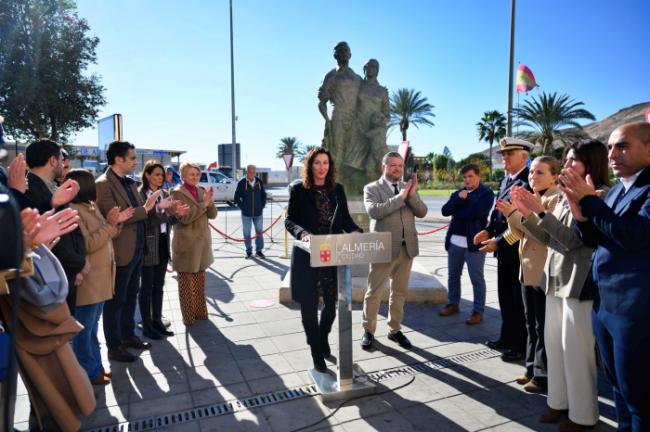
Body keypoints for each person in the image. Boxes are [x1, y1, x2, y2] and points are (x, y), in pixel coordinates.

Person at [513, 140, 610, 430]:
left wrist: (539, 213)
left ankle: (582, 416)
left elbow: (573, 241)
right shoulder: (568, 195)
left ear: (591, 164)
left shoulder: (597, 196)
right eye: (566, 160)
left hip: (578, 284)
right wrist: (527, 214)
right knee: (555, 348)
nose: (566, 166)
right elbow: (548, 239)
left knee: (576, 353)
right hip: (554, 280)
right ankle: (558, 403)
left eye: (573, 161)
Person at [563, 123, 650, 432]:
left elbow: (634, 236)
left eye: (622, 146)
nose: (612, 154)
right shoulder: (617, 189)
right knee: (618, 390)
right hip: (606, 307)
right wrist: (580, 216)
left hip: (635, 311)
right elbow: (598, 237)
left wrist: (590, 201)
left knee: (639, 397)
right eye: (610, 147)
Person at [285, 147, 360, 372]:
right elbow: (290, 220)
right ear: (310, 165)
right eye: (317, 163)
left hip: (331, 253)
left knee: (331, 306)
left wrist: (356, 231)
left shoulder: (337, 190)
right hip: (307, 254)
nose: (322, 167)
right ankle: (316, 353)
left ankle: (322, 337)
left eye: (325, 163)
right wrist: (303, 234)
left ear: (330, 165)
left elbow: (345, 218)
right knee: (308, 306)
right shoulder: (299, 189)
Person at [497, 156, 562, 394]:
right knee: (531, 323)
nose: (533, 177)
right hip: (527, 270)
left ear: (555, 175)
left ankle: (543, 375)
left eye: (540, 173)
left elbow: (543, 235)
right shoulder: (537, 197)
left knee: (542, 325)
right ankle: (531, 369)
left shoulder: (555, 199)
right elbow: (518, 233)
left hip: (544, 271)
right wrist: (511, 214)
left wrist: (520, 212)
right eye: (532, 173)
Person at [95, 141, 162, 362]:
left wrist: (155, 208)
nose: (136, 162)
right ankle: (114, 346)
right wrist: (147, 208)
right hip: (121, 250)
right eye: (132, 158)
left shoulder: (130, 183)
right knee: (116, 301)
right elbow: (115, 216)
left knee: (131, 295)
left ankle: (128, 336)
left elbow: (140, 211)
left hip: (137, 249)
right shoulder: (103, 184)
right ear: (118, 159)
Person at [67, 169, 133, 386]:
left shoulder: (90, 207)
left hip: (101, 278)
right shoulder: (74, 211)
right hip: (89, 281)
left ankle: (95, 367)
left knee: (93, 327)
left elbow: (107, 235)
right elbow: (87, 244)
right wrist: (109, 225)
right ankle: (88, 371)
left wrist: (116, 222)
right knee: (84, 331)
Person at [361, 151, 428, 350]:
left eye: (400, 165)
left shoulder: (409, 187)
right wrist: (401, 196)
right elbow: (375, 211)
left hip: (407, 249)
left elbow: (422, 212)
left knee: (399, 292)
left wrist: (412, 195)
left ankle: (395, 329)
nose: (397, 169)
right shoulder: (371, 188)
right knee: (374, 292)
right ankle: (368, 330)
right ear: (384, 167)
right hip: (382, 248)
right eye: (393, 165)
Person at [474, 137, 532, 362]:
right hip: (503, 250)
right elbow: (497, 212)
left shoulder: (527, 182)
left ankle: (519, 345)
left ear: (524, 157)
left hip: (517, 249)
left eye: (510, 154)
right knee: (505, 298)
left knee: (518, 301)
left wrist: (498, 240)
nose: (504, 158)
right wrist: (488, 230)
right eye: (503, 154)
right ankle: (506, 338)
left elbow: (521, 223)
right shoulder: (507, 180)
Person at [24, 138, 87, 315]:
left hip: (68, 274)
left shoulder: (55, 188)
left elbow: (72, 228)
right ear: (52, 160)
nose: (63, 163)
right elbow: (49, 239)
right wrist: (79, 264)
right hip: (51, 279)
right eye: (60, 158)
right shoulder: (27, 192)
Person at [439, 164, 495, 324]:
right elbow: (444, 210)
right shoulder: (458, 193)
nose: (467, 180)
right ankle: (453, 304)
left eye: (470, 176)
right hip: (454, 242)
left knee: (477, 278)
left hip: (475, 243)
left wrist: (456, 210)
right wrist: (458, 199)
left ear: (478, 176)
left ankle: (478, 311)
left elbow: (475, 214)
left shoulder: (486, 193)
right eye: (464, 177)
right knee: (453, 276)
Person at [139, 160, 188, 339]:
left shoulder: (166, 193)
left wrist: (177, 215)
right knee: (147, 287)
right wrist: (162, 210)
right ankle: (146, 324)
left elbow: (168, 221)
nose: (161, 178)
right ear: (147, 175)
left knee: (159, 286)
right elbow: (146, 221)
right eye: (157, 174)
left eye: (162, 175)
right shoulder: (141, 194)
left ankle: (157, 320)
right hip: (147, 245)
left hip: (162, 242)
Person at [170, 162, 217, 326]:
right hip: (186, 244)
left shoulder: (201, 191)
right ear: (183, 176)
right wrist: (203, 205)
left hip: (202, 243)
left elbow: (213, 215)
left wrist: (210, 203)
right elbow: (185, 218)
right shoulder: (176, 193)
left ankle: (201, 313)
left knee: (199, 282)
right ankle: (188, 318)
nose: (195, 177)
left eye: (197, 174)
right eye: (191, 174)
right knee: (185, 284)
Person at [318, 41, 362, 192]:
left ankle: (353, 186)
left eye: (346, 50)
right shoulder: (331, 76)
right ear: (335, 55)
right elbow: (322, 102)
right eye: (340, 51)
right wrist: (328, 121)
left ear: (350, 54)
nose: (343, 53)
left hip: (355, 120)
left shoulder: (357, 78)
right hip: (338, 117)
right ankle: (335, 188)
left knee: (356, 153)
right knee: (337, 153)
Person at [234, 164, 267, 259]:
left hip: (258, 213)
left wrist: (262, 206)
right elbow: (236, 197)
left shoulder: (259, 182)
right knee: (247, 233)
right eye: (250, 172)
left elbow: (263, 195)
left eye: (254, 172)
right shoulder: (242, 182)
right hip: (246, 214)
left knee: (259, 232)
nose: (252, 174)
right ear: (246, 172)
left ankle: (259, 251)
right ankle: (249, 251)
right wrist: (243, 207)